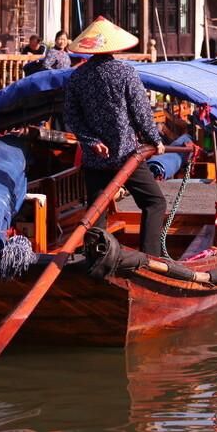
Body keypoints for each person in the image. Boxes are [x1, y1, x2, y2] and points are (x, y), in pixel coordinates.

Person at [63, 17, 167, 257]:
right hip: (126, 155)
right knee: (154, 202)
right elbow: (141, 112)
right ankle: (149, 257)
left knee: (96, 211)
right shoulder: (125, 72)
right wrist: (155, 140)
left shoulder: (78, 76)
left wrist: (92, 142)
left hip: (95, 157)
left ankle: (95, 260)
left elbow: (71, 117)